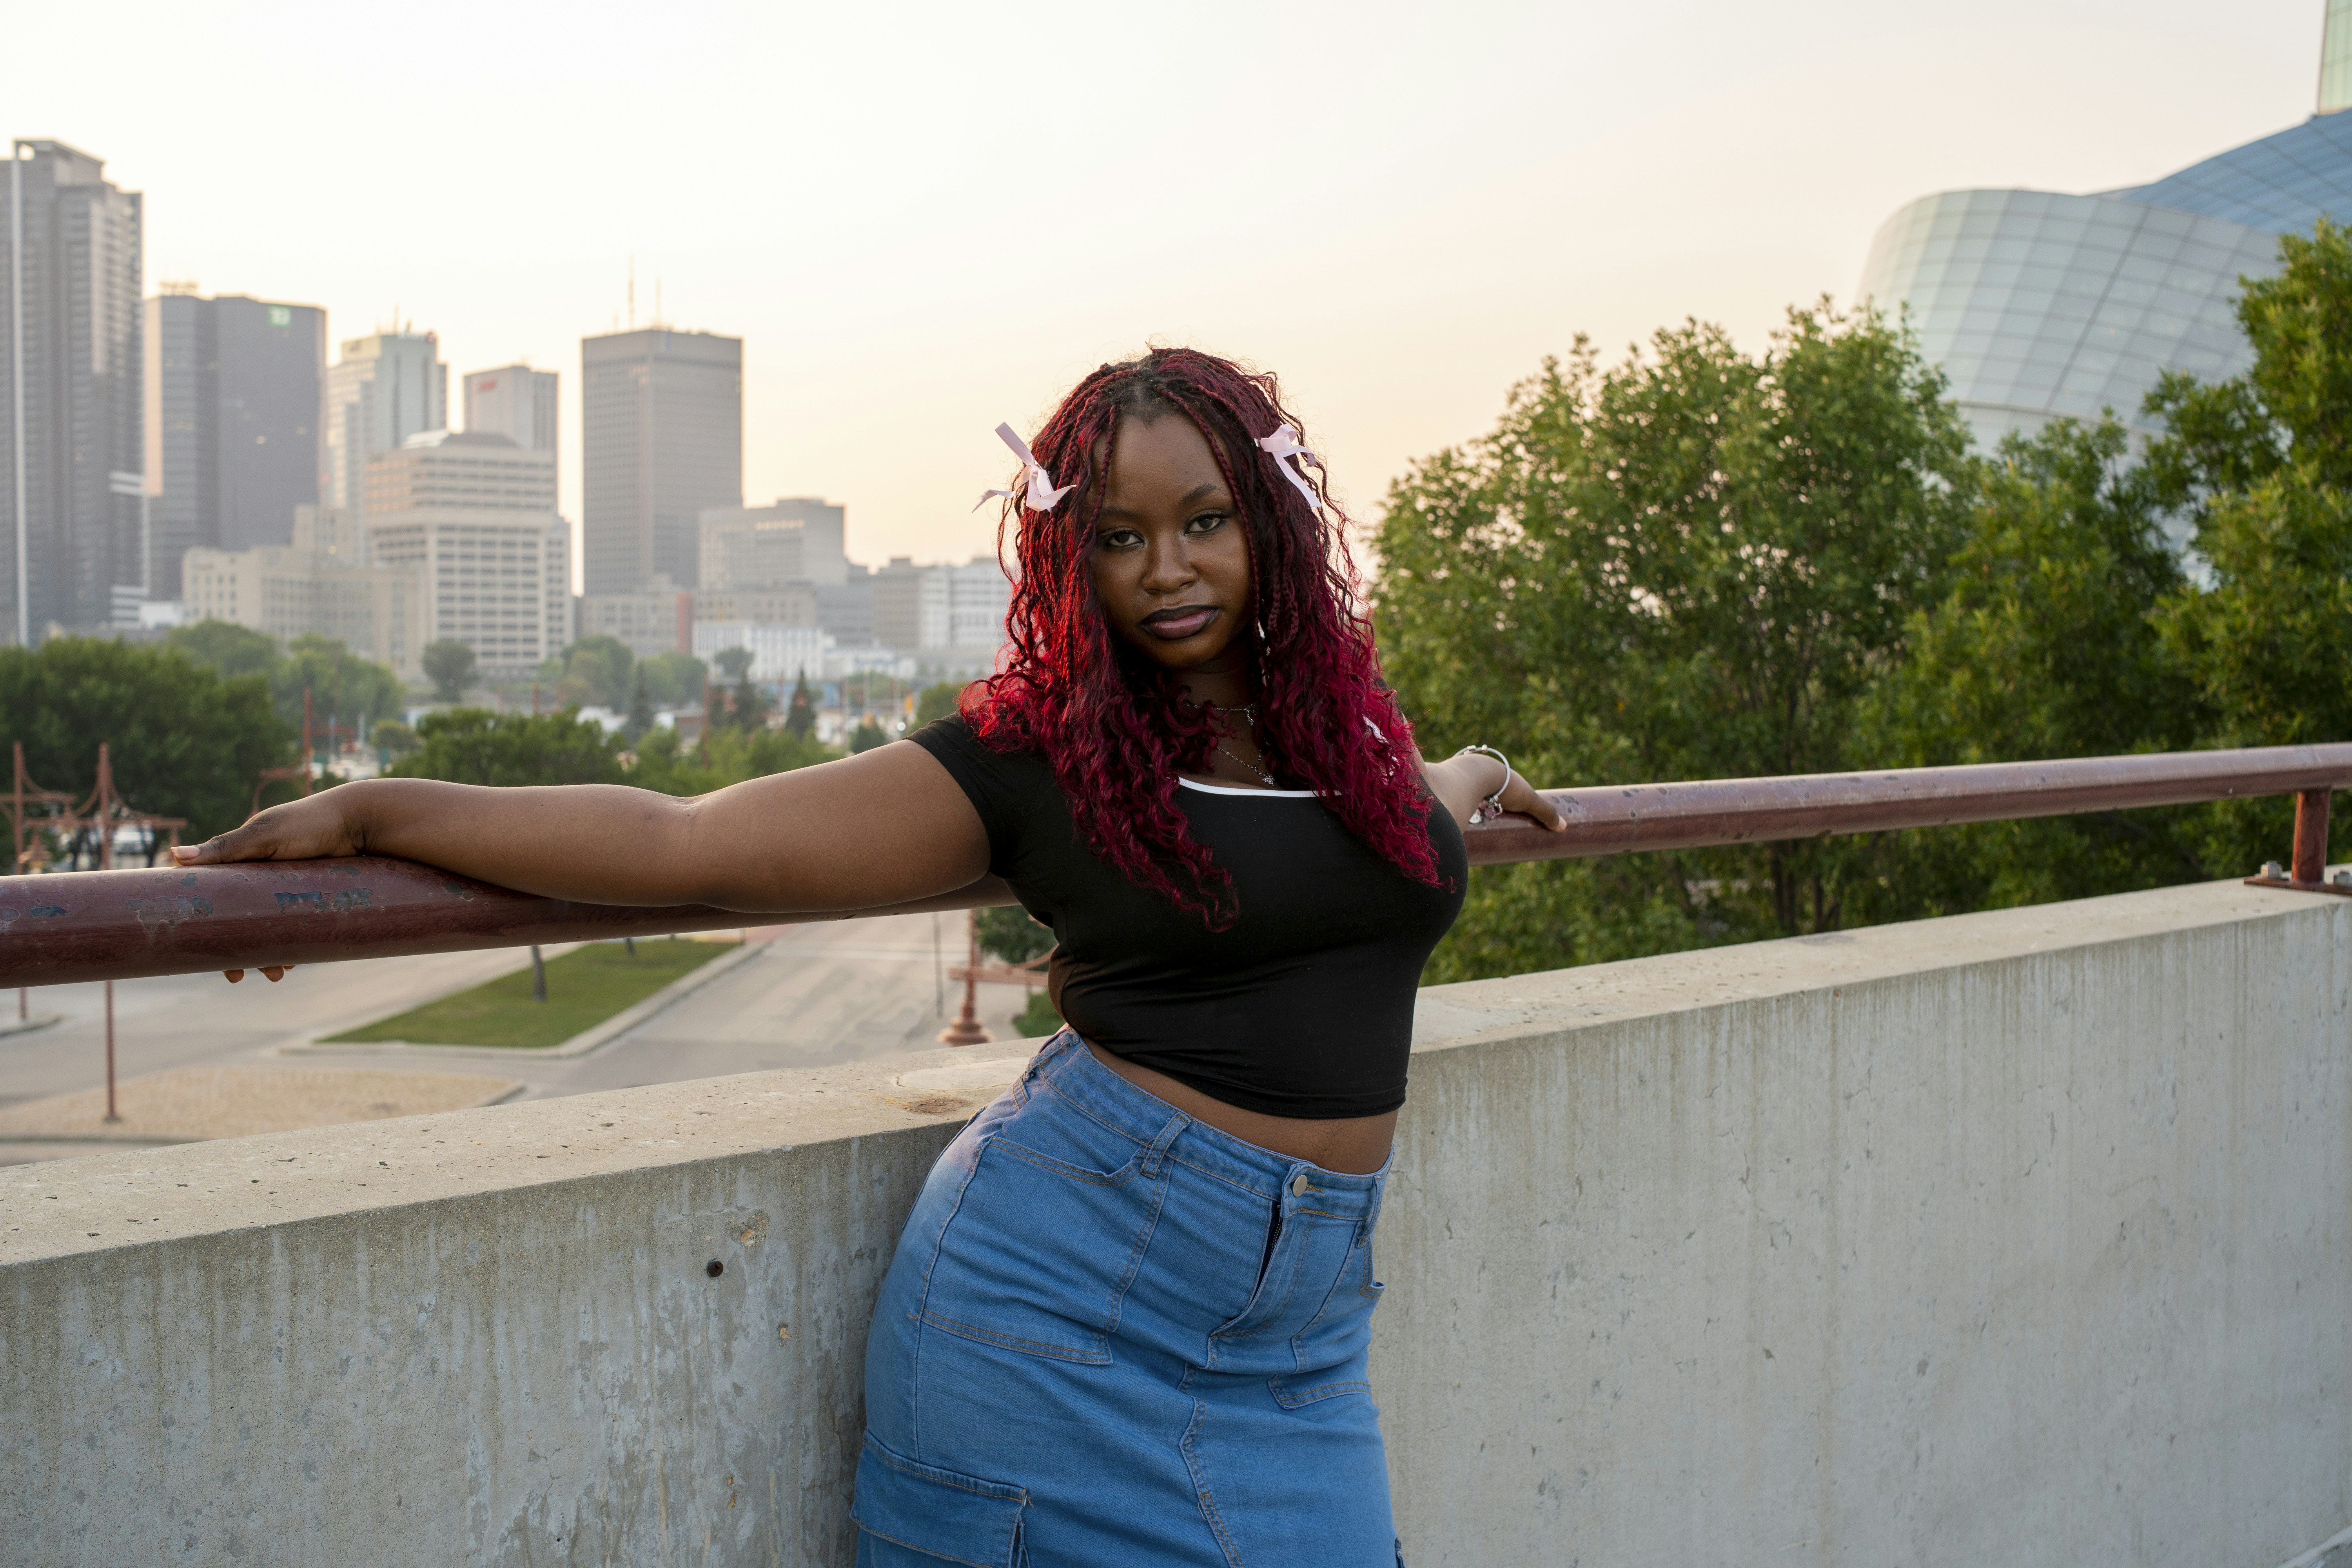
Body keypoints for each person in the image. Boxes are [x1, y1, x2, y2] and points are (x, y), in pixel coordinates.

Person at [175, 347, 1565, 1566]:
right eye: (1124, 539)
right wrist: (371, 809)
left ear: (1264, 518)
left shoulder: (1351, 739)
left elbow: (1374, 843)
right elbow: (685, 844)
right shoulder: (1040, 765)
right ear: (1071, 559)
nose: (1170, 569)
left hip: (1305, 1340)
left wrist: (1471, 770)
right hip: (1066, 1313)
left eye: (1204, 522)